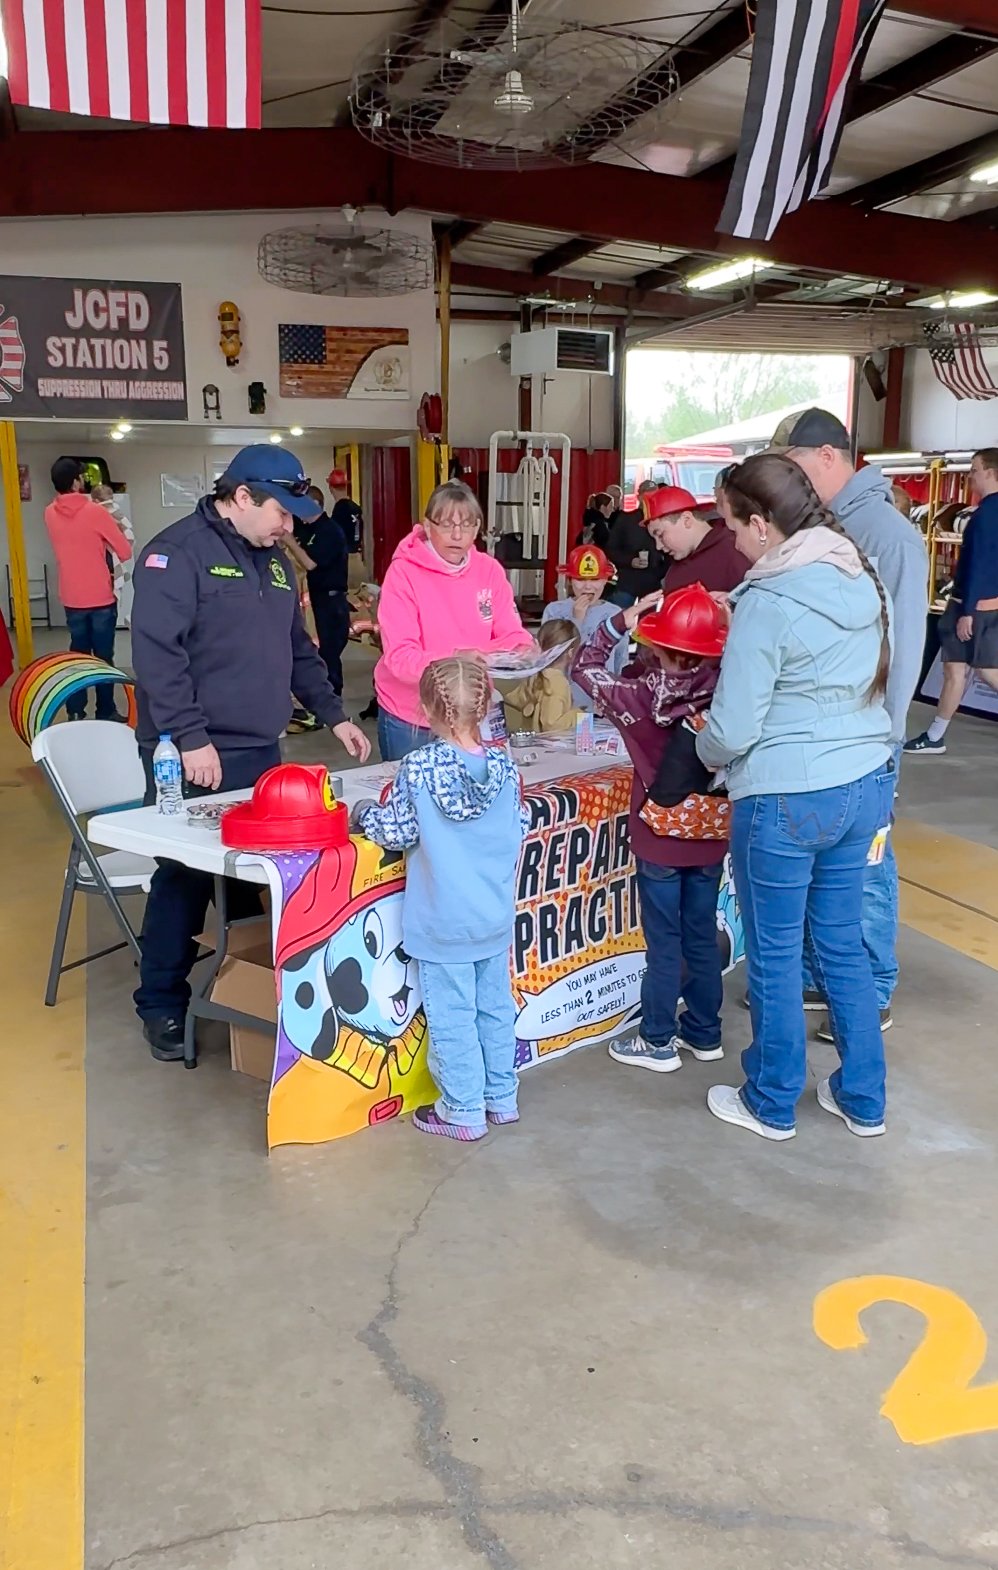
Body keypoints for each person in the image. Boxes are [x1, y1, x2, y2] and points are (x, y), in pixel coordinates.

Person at [130, 444, 371, 1062]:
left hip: (261, 748)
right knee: (184, 876)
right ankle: (160, 1002)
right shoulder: (176, 555)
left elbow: (297, 652)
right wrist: (190, 737)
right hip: (193, 752)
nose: (288, 526)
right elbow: (157, 657)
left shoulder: (274, 563)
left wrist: (335, 716)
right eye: (281, 513)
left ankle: (240, 985)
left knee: (251, 878)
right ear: (241, 497)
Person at [696, 454, 895, 1142]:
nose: (730, 539)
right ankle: (863, 1097)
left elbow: (734, 729)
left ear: (761, 524)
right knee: (842, 944)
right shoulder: (858, 573)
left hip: (787, 794)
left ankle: (772, 1099)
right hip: (865, 782)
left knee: (776, 955)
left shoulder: (768, 601)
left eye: (731, 525)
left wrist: (703, 748)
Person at [769, 407, 927, 1031]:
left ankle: (872, 986)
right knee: (827, 863)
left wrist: (886, 735)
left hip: (869, 736)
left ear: (828, 456)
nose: (788, 480)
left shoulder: (887, 534)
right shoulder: (827, 525)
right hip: (828, 734)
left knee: (866, 865)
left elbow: (904, 644)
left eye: (793, 465)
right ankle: (820, 978)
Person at [353, 656, 529, 1142]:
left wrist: (365, 813)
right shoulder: (504, 766)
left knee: (452, 1016)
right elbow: (519, 825)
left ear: (425, 708)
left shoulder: (418, 768)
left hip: (442, 919)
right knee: (494, 1008)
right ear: (486, 706)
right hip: (492, 915)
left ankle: (463, 1110)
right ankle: (502, 1098)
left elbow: (396, 831)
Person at [574, 585, 731, 1074]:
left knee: (664, 941)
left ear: (657, 644)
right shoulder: (731, 689)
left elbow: (583, 666)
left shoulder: (637, 695)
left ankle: (657, 1039)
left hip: (658, 836)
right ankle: (704, 1033)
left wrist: (620, 621)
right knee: (700, 934)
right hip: (711, 832)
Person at [374, 480, 532, 761]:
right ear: (427, 526)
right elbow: (400, 658)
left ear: (478, 528)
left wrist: (525, 649)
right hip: (413, 716)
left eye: (467, 525)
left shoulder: (489, 570)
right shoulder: (403, 574)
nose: (457, 535)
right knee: (415, 789)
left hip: (471, 713)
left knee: (475, 787)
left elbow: (512, 634)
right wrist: (456, 659)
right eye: (447, 525)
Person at [905, 447, 998, 758]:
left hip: (970, 607)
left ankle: (935, 736)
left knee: (983, 671)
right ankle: (935, 735)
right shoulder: (987, 512)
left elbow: (980, 564)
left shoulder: (986, 515)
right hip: (977, 604)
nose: (970, 476)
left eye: (974, 470)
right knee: (958, 670)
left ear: (990, 472)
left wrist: (968, 611)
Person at [44, 458, 132, 721]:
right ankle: (105, 711)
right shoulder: (95, 512)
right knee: (103, 657)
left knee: (78, 657)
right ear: (75, 482)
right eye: (81, 476)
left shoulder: (49, 512)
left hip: (71, 596)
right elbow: (125, 551)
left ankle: (75, 711)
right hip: (100, 596)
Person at [541, 544, 625, 708]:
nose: (588, 586)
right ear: (570, 580)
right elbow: (549, 658)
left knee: (591, 727)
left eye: (595, 580)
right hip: (561, 700)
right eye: (580, 579)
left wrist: (616, 698)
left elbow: (620, 661)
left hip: (600, 703)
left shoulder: (615, 614)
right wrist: (576, 620)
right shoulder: (554, 611)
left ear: (605, 580)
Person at [293, 483, 351, 696]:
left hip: (332, 602)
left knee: (329, 654)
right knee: (317, 652)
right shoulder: (307, 529)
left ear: (315, 504)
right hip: (316, 600)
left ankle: (332, 698)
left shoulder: (330, 531)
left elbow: (310, 564)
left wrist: (289, 541)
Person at [642, 485, 747, 596]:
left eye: (660, 534)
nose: (658, 546)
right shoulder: (677, 565)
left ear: (686, 520)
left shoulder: (736, 550)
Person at [503, 618, 580, 734]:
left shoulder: (534, 676)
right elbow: (552, 725)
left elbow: (514, 698)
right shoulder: (558, 682)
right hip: (549, 743)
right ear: (571, 653)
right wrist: (579, 715)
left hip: (529, 741)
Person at [606, 483, 667, 607]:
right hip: (628, 583)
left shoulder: (664, 521)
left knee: (648, 619)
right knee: (619, 616)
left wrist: (663, 574)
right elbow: (611, 549)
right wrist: (630, 561)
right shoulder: (625, 519)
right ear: (639, 497)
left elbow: (671, 552)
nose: (650, 500)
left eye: (654, 496)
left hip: (652, 583)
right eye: (647, 496)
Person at [92, 483, 136, 627]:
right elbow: (129, 536)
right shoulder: (118, 513)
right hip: (116, 558)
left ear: (95, 500)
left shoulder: (97, 513)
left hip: (105, 558)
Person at [328, 468, 364, 556]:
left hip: (345, 557)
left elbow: (334, 537)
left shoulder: (339, 510)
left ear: (331, 488)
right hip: (357, 556)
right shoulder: (356, 507)